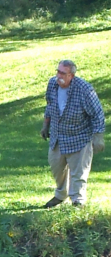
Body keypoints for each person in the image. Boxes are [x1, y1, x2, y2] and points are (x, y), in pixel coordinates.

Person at [40, 59, 105, 208]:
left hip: (79, 137)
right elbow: (50, 105)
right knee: (56, 168)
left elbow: (97, 114)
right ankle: (60, 195)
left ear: (71, 75)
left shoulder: (84, 90)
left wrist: (98, 137)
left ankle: (77, 200)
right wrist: (45, 125)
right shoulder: (52, 84)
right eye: (58, 71)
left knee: (78, 172)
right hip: (58, 136)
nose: (59, 75)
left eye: (63, 73)